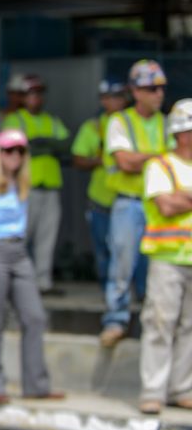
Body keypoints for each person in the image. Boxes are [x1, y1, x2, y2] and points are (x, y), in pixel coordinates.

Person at [0, 129, 64, 404]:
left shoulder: (22, 183)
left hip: (17, 251)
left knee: (34, 316)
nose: (14, 156)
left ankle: (36, 384)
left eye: (20, 151)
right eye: (8, 151)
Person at [100, 59, 170, 348]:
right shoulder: (120, 121)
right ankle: (115, 320)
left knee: (156, 268)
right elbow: (125, 162)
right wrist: (159, 157)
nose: (158, 94)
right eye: (151, 89)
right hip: (129, 204)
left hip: (160, 206)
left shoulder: (167, 123)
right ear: (135, 91)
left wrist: (144, 157)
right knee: (123, 262)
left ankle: (148, 321)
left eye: (161, 88)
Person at [136, 98, 192, 414]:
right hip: (167, 258)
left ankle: (182, 389)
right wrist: (179, 198)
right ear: (183, 133)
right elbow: (166, 206)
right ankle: (153, 391)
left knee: (190, 328)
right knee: (160, 324)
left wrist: (183, 194)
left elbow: (176, 200)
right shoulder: (161, 166)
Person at [2, 74, 70, 295]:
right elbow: (17, 149)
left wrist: (40, 144)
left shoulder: (52, 120)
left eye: (39, 94)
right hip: (25, 187)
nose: (36, 99)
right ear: (23, 97)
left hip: (50, 186)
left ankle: (43, 282)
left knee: (47, 237)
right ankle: (15, 280)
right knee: (20, 236)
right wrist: (41, 146)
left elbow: (65, 145)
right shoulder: (14, 120)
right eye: (31, 94)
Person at [72, 79, 128, 289]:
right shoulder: (93, 127)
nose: (116, 101)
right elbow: (77, 159)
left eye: (120, 96)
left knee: (129, 252)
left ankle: (135, 294)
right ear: (103, 100)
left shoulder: (130, 124)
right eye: (111, 97)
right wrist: (98, 160)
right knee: (103, 250)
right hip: (100, 199)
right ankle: (108, 292)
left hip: (127, 198)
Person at [0, 71, 27, 137]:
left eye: (20, 94)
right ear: (8, 94)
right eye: (14, 93)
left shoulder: (29, 117)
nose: (17, 98)